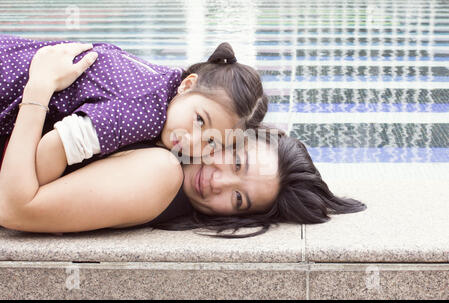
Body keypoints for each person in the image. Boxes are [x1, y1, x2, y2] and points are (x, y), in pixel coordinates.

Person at [0, 42, 367, 239]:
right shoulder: (164, 126)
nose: (218, 181)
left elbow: (16, 209)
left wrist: (40, 86)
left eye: (239, 200)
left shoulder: (161, 172)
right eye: (237, 163)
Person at [0, 34, 268, 184]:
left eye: (211, 142)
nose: (192, 141)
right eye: (199, 120)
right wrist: (42, 197)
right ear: (187, 85)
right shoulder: (145, 113)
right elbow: (53, 148)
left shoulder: (164, 79)